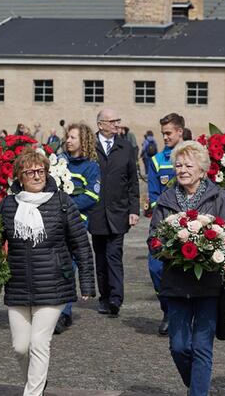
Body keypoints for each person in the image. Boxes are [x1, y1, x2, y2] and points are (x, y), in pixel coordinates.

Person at [0, 149, 95, 396]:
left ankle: (32, 392)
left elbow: (80, 245)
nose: (36, 175)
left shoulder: (62, 202)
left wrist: (86, 283)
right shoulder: (9, 205)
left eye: (40, 171)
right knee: (20, 348)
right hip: (18, 284)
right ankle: (37, 384)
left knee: (40, 343)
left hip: (53, 284)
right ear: (19, 177)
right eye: (30, 172)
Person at [148, 141, 225, 396]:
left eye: (188, 165)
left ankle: (198, 392)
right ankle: (197, 384)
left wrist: (210, 248)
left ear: (202, 170)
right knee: (178, 346)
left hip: (208, 283)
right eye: (178, 165)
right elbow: (153, 239)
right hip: (175, 282)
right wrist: (168, 246)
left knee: (201, 346)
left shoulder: (218, 196)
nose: (182, 169)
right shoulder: (166, 199)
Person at [88, 108, 139, 318]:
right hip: (96, 212)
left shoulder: (125, 147)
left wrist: (134, 209)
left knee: (114, 255)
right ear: (100, 125)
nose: (117, 124)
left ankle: (117, 298)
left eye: (118, 120)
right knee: (100, 257)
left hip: (119, 211)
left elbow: (133, 181)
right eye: (112, 121)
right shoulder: (89, 146)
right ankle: (104, 297)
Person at [55, 122, 101, 334]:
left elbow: (92, 196)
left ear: (84, 141)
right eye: (68, 137)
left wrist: (67, 206)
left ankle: (64, 313)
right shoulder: (58, 163)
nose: (68, 141)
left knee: (68, 267)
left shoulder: (91, 167)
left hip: (76, 224)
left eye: (73, 137)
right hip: (54, 223)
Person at [146, 112, 185, 334]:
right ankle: (168, 310)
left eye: (169, 133)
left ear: (180, 131)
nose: (165, 137)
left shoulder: (194, 156)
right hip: (163, 226)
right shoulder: (156, 161)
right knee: (156, 268)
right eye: (163, 134)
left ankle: (183, 314)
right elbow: (153, 195)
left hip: (191, 224)